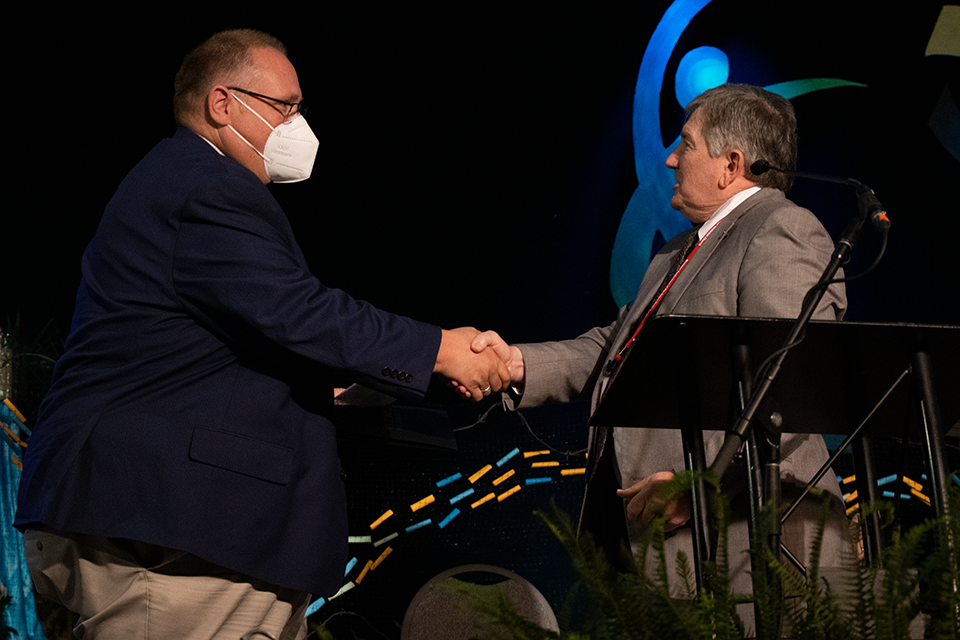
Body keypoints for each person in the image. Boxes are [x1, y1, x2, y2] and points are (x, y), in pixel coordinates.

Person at [15, 29, 509, 639]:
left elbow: (208, 346)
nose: (299, 124)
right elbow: (296, 312)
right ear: (223, 105)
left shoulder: (173, 179)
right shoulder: (208, 184)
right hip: (173, 527)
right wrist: (443, 349)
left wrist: (324, 393)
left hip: (136, 518)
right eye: (287, 106)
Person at [466, 84, 852, 627]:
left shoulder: (780, 228)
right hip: (665, 544)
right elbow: (615, 346)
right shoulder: (678, 250)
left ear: (731, 164)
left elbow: (787, 386)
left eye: (686, 144)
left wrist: (702, 486)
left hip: (752, 547)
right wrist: (513, 364)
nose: (670, 158)